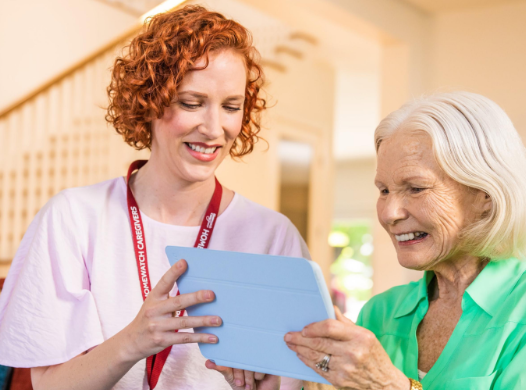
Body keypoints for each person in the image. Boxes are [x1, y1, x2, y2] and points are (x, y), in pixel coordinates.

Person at [0, 5, 309, 390]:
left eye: (231, 107)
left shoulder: (273, 236)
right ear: (149, 100)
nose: (214, 129)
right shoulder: (74, 218)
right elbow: (48, 385)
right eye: (191, 102)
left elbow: (287, 382)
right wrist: (135, 340)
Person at [285, 92, 526, 389]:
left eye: (416, 188)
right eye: (384, 190)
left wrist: (389, 385)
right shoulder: (379, 312)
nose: (390, 213)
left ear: (486, 196)